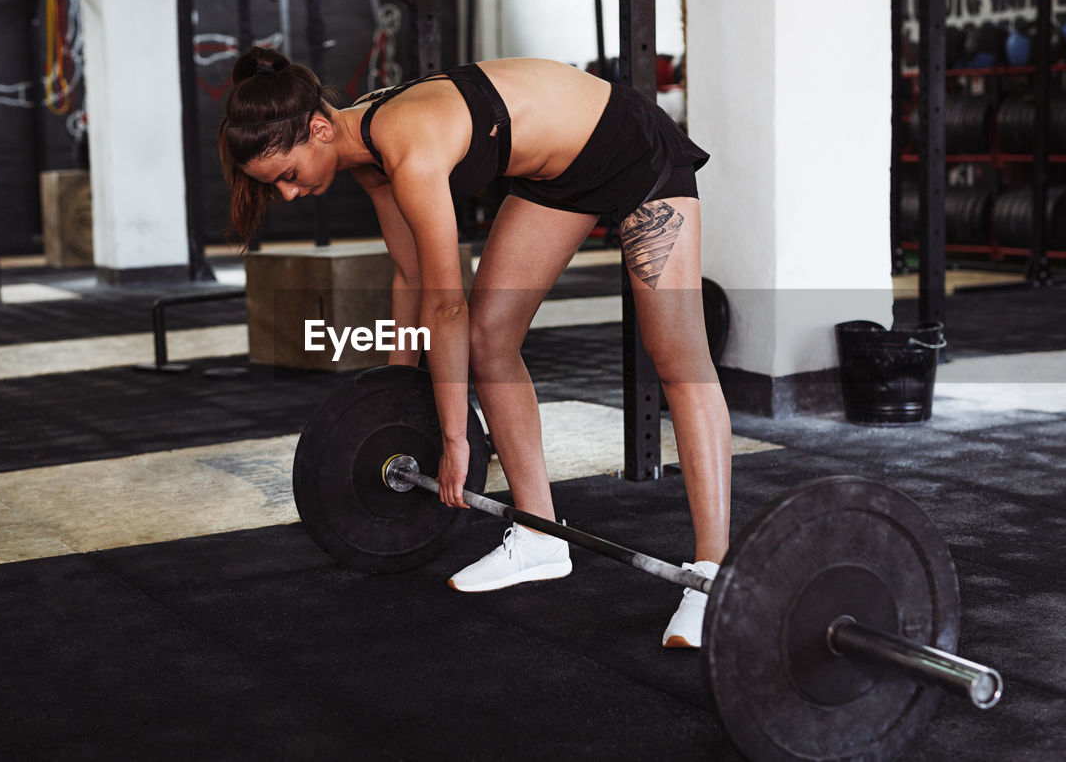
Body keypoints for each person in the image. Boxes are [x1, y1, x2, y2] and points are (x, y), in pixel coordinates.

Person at [220, 48, 732, 648]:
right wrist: (395, 406)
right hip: (561, 177)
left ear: (319, 129)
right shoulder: (369, 158)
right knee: (492, 336)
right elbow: (410, 277)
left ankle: (710, 576)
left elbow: (445, 303)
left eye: (287, 174)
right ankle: (542, 536)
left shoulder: (406, 146)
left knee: (676, 356)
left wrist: (458, 439)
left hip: (635, 152)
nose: (286, 194)